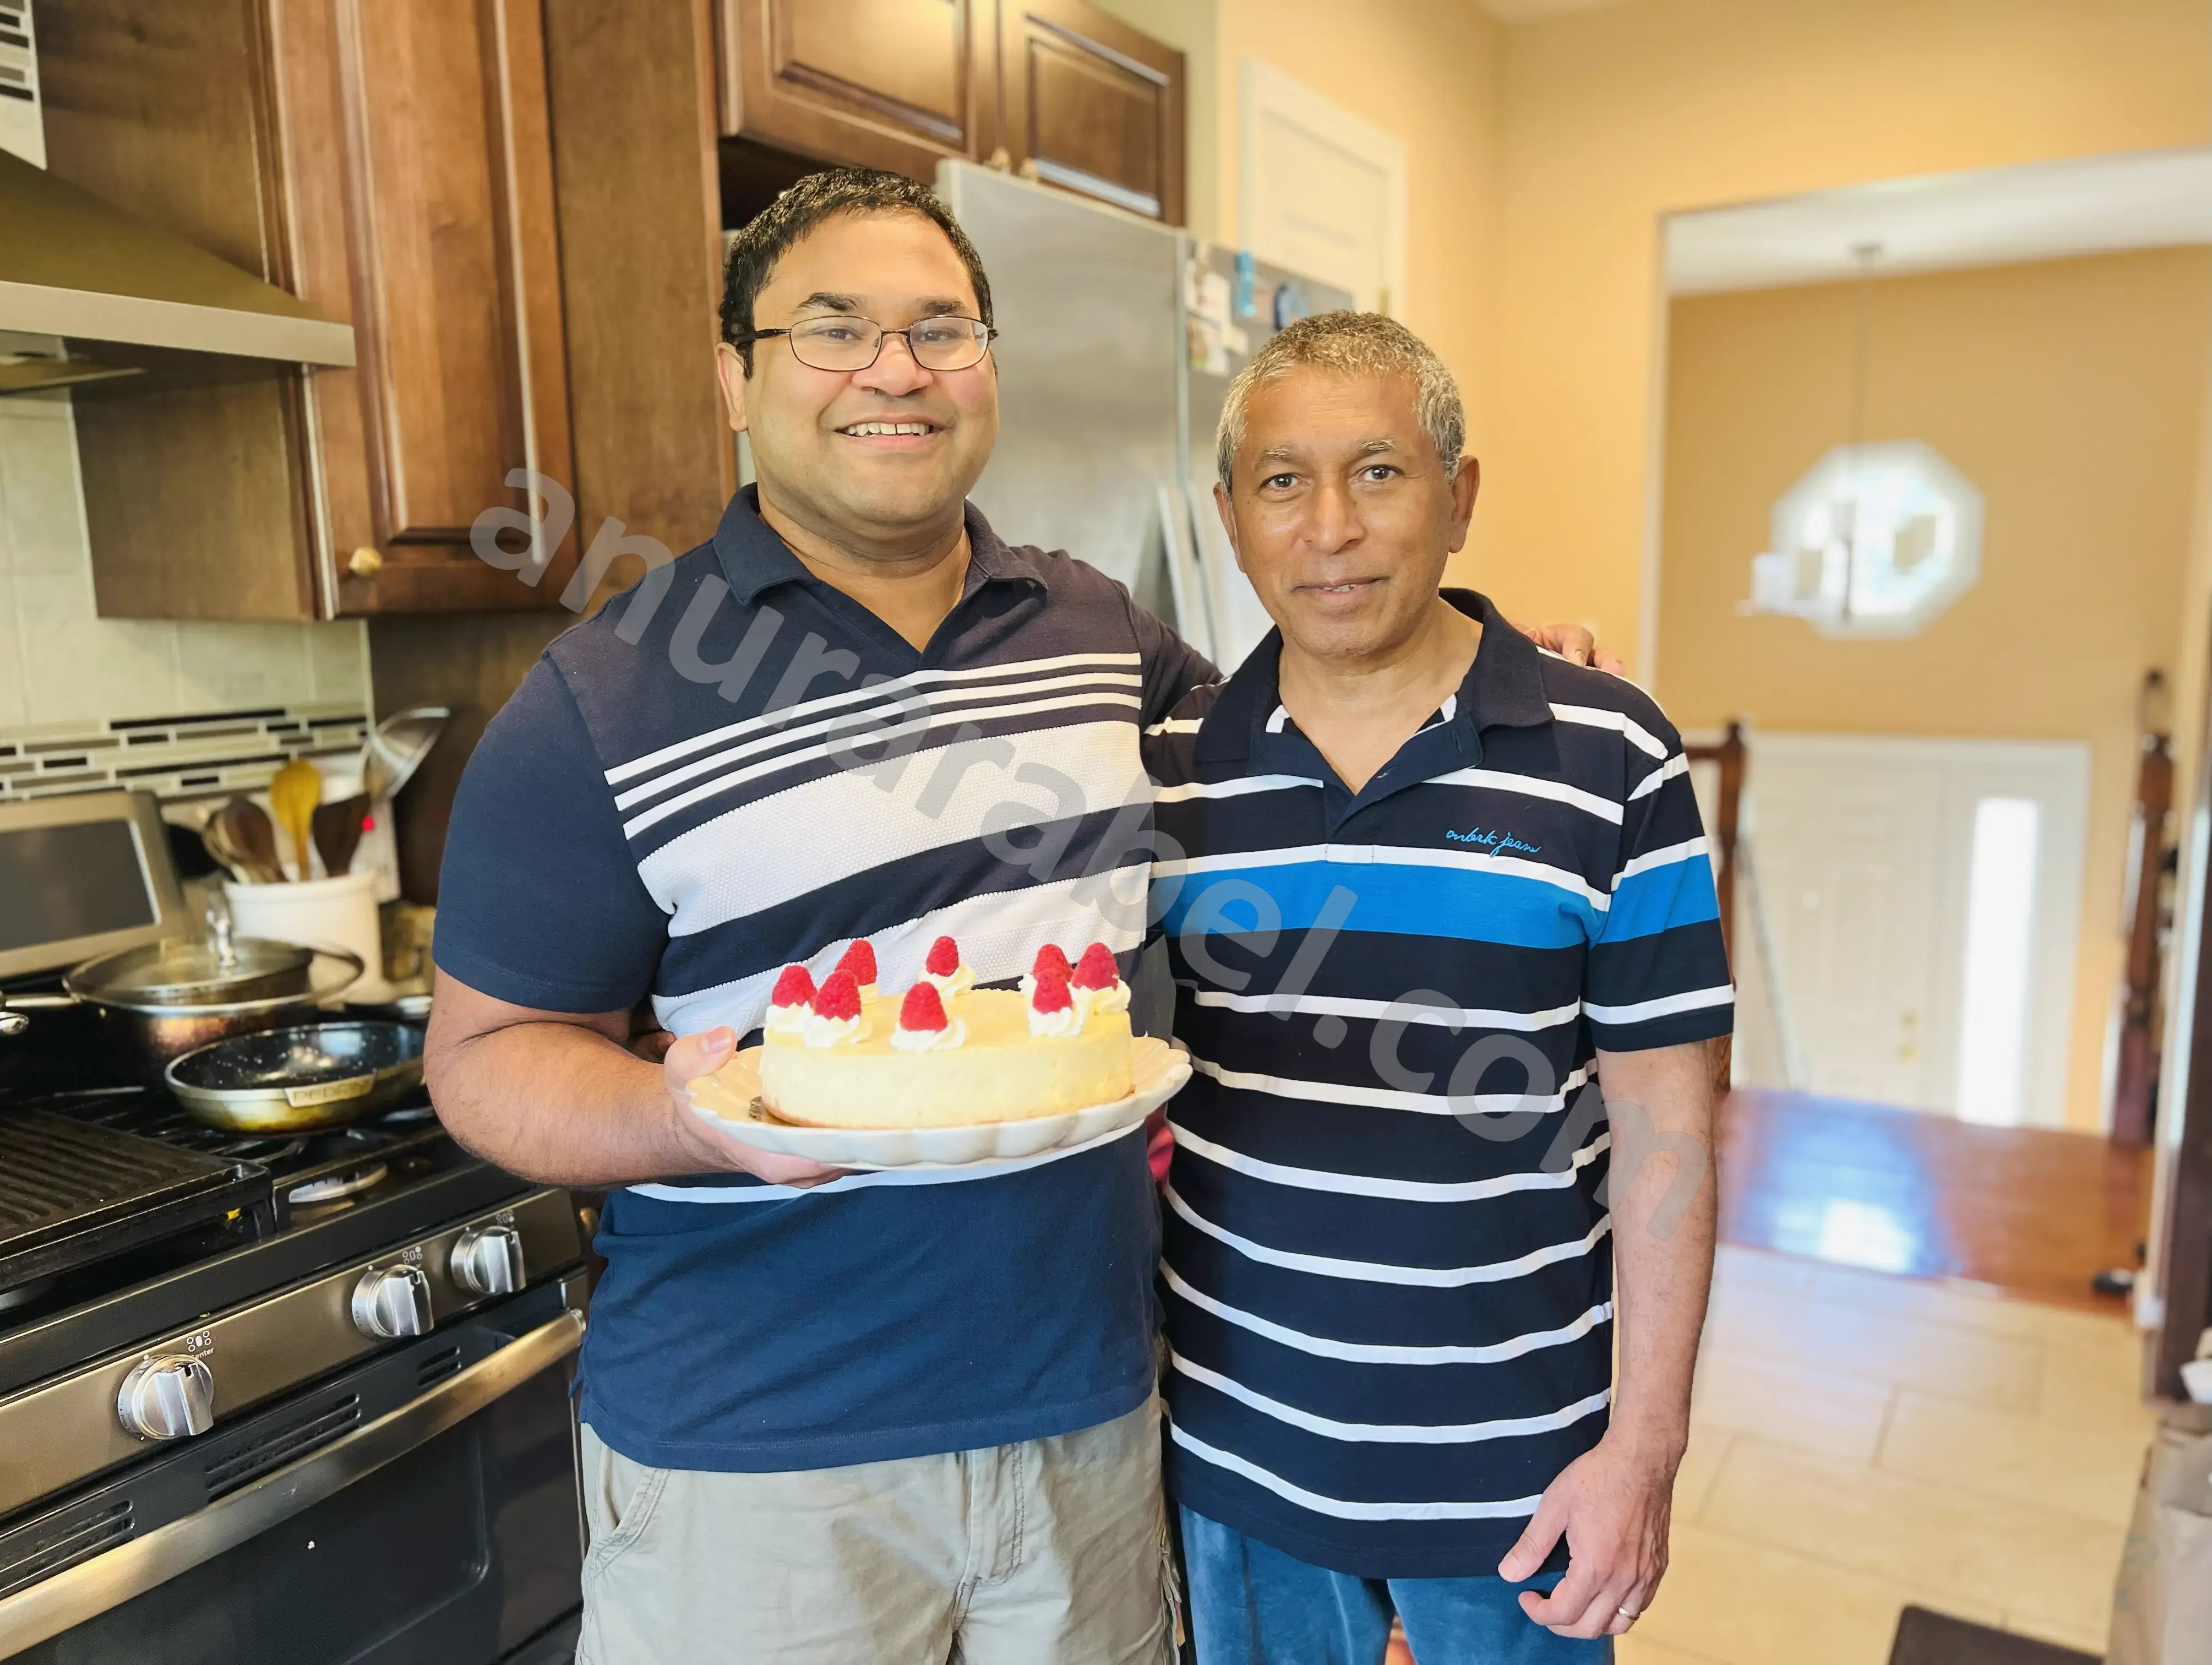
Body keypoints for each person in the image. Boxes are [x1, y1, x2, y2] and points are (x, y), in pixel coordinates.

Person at [426, 166, 1611, 1664]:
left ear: (988, 367)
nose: (897, 372)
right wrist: (691, 1121)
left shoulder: (1098, 630)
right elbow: (482, 1060)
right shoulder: (599, 697)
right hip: (761, 1464)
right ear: (736, 375)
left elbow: (1315, 739)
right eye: (833, 331)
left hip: (1094, 1426)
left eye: (943, 329)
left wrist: (1495, 667)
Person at [1143, 312, 1731, 1665]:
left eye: (1381, 472)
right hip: (1242, 1463)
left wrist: (1644, 1450)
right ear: (1230, 519)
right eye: (1282, 482)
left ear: (1459, 499)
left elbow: (1671, 1130)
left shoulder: (1610, 755)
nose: (1331, 527)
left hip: (1518, 1475)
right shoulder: (1173, 768)